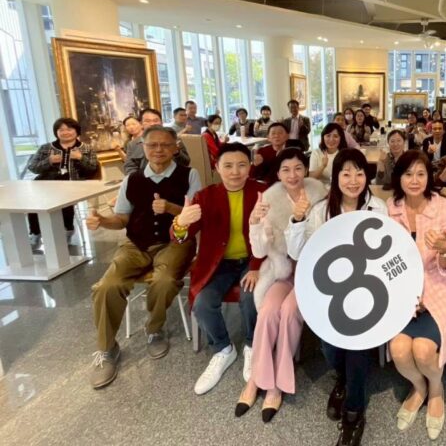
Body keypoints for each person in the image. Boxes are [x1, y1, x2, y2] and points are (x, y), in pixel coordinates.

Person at [86, 126, 201, 389]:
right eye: (152, 145)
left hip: (175, 242)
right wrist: (102, 220)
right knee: (107, 286)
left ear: (176, 148)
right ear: (143, 148)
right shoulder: (132, 179)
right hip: (136, 244)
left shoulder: (189, 174)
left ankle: (155, 329)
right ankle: (107, 348)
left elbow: (196, 214)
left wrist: (171, 208)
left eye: (165, 144)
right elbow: (121, 219)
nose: (159, 150)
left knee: (164, 280)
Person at [286, 149, 388, 446]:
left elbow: (388, 252)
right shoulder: (321, 210)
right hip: (329, 293)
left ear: (367, 176)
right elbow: (297, 253)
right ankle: (344, 378)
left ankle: (354, 413)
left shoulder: (378, 208)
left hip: (368, 292)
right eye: (346, 173)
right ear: (336, 177)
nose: (353, 180)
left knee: (355, 345)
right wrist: (297, 219)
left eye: (359, 173)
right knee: (330, 347)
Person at [236, 148, 327, 422]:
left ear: (306, 170)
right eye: (285, 169)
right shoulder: (269, 200)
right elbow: (260, 250)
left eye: (298, 168)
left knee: (288, 311)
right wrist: (254, 223)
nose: (292, 175)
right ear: (277, 173)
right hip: (282, 269)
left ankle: (276, 385)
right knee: (267, 311)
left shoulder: (320, 195)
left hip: (311, 272)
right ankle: (256, 379)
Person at [171, 143, 266, 395]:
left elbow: (272, 235)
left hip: (253, 260)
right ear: (217, 167)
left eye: (241, 165)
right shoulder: (205, 197)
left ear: (250, 167)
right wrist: (181, 223)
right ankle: (223, 348)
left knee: (250, 297)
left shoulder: (262, 192)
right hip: (218, 264)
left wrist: (256, 266)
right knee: (202, 304)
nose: (235, 172)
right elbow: (179, 237)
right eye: (228, 165)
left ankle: (251, 344)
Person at [387, 151, 446, 440]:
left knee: (422, 350)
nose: (414, 180)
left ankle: (435, 389)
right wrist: (408, 292)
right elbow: (386, 260)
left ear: (429, 177)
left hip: (439, 286)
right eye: (408, 174)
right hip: (402, 290)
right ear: (399, 177)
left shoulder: (444, 207)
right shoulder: (391, 207)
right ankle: (419, 387)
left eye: (421, 174)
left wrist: (445, 249)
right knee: (399, 351)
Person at [26, 117, 99, 247]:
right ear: (56, 132)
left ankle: (67, 230)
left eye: (69, 129)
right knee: (33, 201)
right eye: (61, 130)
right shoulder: (45, 148)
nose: (65, 132)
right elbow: (33, 167)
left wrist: (80, 158)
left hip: (74, 184)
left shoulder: (86, 148)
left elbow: (93, 168)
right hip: (47, 185)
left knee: (65, 198)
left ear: (76, 131)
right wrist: (49, 161)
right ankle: (35, 232)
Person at [124, 108, 191, 175]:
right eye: (147, 121)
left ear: (161, 122)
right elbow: (130, 166)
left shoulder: (174, 139)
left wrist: (177, 152)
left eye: (155, 120)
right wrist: (138, 178)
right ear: (141, 124)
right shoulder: (133, 144)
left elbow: (186, 162)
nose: (152, 124)